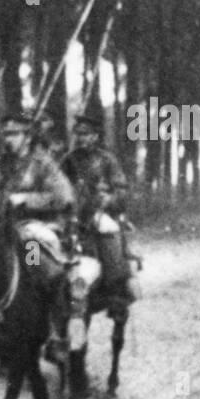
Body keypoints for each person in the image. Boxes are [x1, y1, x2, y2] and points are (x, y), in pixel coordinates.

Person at [0, 112, 97, 355]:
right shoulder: (0, 164)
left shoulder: (43, 163)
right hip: (0, 225)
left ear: (28, 136)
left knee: (37, 265)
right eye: (5, 134)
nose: (8, 139)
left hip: (35, 227)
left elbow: (64, 198)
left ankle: (53, 332)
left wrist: (26, 199)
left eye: (14, 134)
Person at [59, 114, 136, 310]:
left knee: (108, 229)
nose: (81, 138)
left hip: (98, 211)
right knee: (39, 240)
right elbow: (59, 185)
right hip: (73, 212)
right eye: (78, 134)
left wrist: (109, 199)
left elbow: (122, 189)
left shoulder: (107, 160)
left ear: (95, 136)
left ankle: (116, 286)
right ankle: (43, 280)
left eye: (86, 134)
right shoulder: (69, 160)